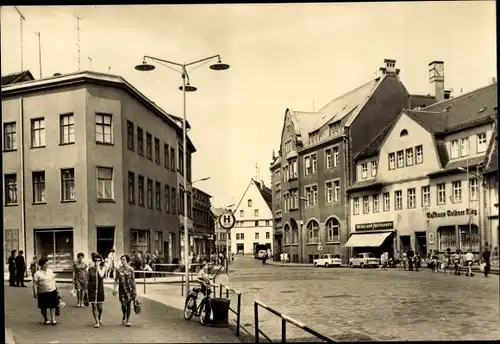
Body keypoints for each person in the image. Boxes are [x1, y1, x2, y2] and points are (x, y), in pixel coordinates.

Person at [33, 257, 58, 325]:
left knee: (52, 305)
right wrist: (35, 292)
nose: (47, 265)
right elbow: (35, 284)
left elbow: (53, 279)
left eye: (47, 264)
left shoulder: (50, 271)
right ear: (42, 265)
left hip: (52, 290)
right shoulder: (37, 274)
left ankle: (53, 319)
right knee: (43, 307)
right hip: (42, 292)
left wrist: (56, 288)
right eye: (46, 264)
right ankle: (46, 319)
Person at [113, 255, 137, 327]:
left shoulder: (131, 269)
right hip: (122, 289)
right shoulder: (118, 269)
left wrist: (135, 290)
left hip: (130, 289)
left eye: (123, 259)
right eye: (121, 259)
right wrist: (115, 289)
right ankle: (124, 315)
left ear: (127, 260)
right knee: (123, 304)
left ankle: (128, 320)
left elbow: (133, 280)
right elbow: (116, 279)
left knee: (129, 304)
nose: (122, 261)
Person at [88, 253, 106, 328]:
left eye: (99, 260)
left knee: (100, 307)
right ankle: (97, 321)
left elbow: (101, 276)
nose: (97, 262)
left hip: (100, 290)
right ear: (94, 261)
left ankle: (100, 316)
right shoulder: (90, 269)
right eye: (95, 260)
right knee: (94, 306)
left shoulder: (103, 268)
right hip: (92, 290)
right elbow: (88, 280)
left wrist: (98, 268)